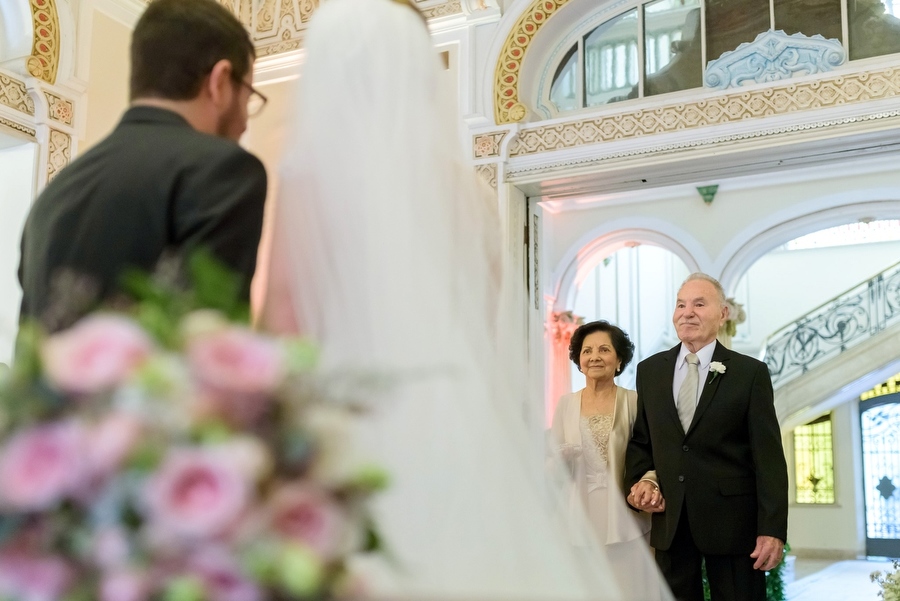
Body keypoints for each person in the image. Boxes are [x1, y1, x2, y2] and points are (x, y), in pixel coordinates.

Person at [260, 0, 673, 598]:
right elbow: (489, 326)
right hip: (454, 435)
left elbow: (282, 321)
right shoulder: (468, 192)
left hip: (345, 429)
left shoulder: (308, 176)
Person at [18, 0, 267, 332]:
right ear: (220, 81)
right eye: (247, 95)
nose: (244, 123)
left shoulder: (56, 191)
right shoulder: (224, 171)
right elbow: (210, 344)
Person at [625, 273, 789, 601]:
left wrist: (772, 529)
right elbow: (643, 440)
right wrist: (641, 481)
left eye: (699, 304)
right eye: (681, 304)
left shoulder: (750, 373)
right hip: (671, 522)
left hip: (733, 525)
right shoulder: (650, 370)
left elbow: (767, 456)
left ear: (723, 313)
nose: (688, 312)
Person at [550, 320, 667, 600]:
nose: (594, 357)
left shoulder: (635, 401)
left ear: (619, 360)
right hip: (577, 514)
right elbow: (550, 464)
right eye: (587, 351)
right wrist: (561, 460)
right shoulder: (565, 404)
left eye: (604, 349)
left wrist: (649, 482)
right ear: (579, 360)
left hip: (625, 516)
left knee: (628, 590)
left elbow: (653, 456)